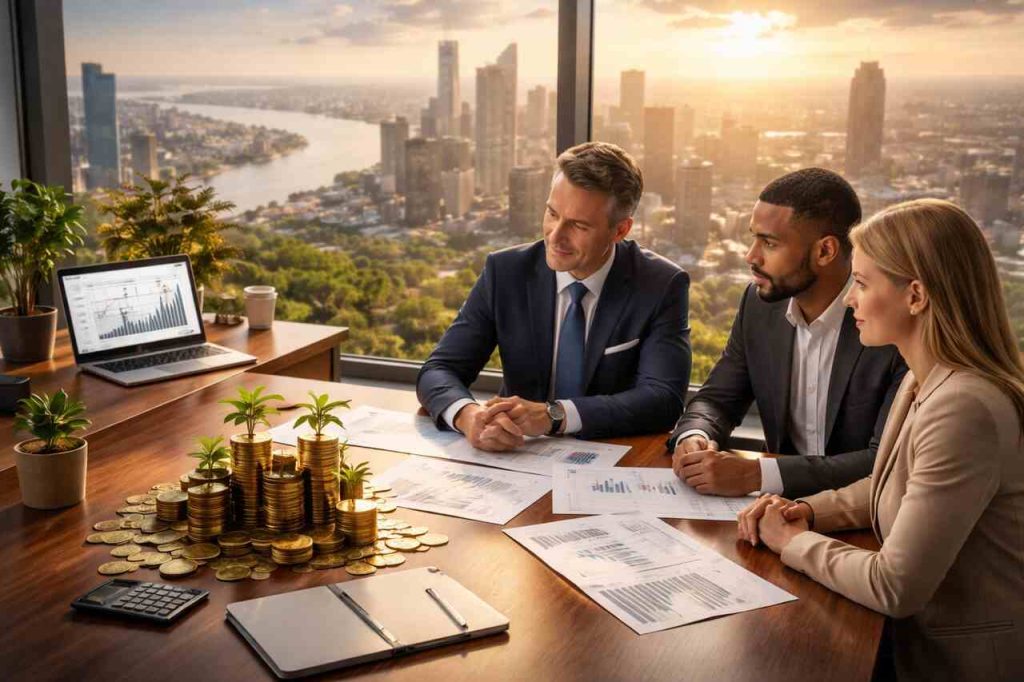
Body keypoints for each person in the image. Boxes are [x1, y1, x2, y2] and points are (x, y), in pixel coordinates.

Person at [738, 198, 1024, 680]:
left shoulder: (964, 407)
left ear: (915, 296)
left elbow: (895, 586)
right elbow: (893, 483)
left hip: (957, 665)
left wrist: (793, 540)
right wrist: (808, 510)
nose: (850, 299)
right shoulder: (925, 379)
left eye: (864, 284)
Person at [416, 141, 691, 450]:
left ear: (620, 230)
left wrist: (555, 416)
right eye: (552, 213)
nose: (555, 235)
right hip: (519, 457)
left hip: (613, 458)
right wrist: (469, 418)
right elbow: (437, 371)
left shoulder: (661, 284)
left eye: (578, 225)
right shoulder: (506, 272)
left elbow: (663, 400)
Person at [669, 168, 906, 498]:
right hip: (775, 511)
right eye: (753, 237)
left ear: (825, 251)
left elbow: (884, 460)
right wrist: (695, 435)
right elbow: (717, 400)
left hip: (864, 514)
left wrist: (757, 475)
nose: (751, 256)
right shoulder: (759, 304)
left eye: (769, 242)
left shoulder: (887, 322)